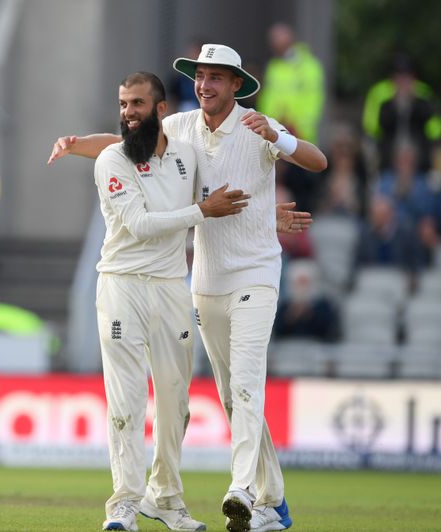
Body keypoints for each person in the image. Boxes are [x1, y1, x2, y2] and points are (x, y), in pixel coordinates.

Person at [48, 44, 327, 532]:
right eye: (200, 77)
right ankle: (274, 500)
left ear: (236, 84)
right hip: (202, 280)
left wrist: (279, 137)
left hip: (257, 273)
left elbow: (317, 160)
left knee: (245, 384)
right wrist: (74, 143)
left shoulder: (256, 125)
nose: (205, 86)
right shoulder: (179, 127)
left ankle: (240, 490)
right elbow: (124, 139)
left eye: (216, 78)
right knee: (229, 394)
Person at [87, 71, 252, 531]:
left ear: (161, 110)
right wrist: (203, 212)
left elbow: (217, 194)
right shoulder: (112, 161)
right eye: (123, 104)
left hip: (171, 287)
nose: (128, 113)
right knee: (127, 398)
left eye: (137, 104)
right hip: (122, 284)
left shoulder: (186, 155)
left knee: (176, 401)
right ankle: (122, 503)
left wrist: (262, 212)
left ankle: (166, 497)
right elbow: (142, 225)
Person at [257, 23, 324, 144]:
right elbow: (268, 98)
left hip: (301, 135)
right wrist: (270, 122)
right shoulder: (273, 67)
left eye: (278, 39)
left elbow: (313, 101)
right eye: (273, 40)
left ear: (290, 40)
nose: (274, 44)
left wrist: (298, 125)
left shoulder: (309, 66)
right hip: (275, 132)